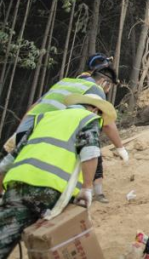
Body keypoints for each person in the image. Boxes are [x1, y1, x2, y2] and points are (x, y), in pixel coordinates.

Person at [0, 54, 128, 202]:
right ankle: (94, 192)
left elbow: (33, 107)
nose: (107, 91)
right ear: (104, 82)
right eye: (109, 87)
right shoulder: (94, 88)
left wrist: (20, 131)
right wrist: (120, 147)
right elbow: (106, 124)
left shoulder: (64, 82)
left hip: (29, 126)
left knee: (13, 162)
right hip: (49, 129)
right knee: (88, 145)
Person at [0, 93, 114, 256]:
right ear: (95, 109)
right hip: (50, 190)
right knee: (56, 241)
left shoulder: (44, 117)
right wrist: (87, 188)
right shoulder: (88, 118)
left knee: (3, 238)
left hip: (17, 184)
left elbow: (10, 159)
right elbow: (90, 152)